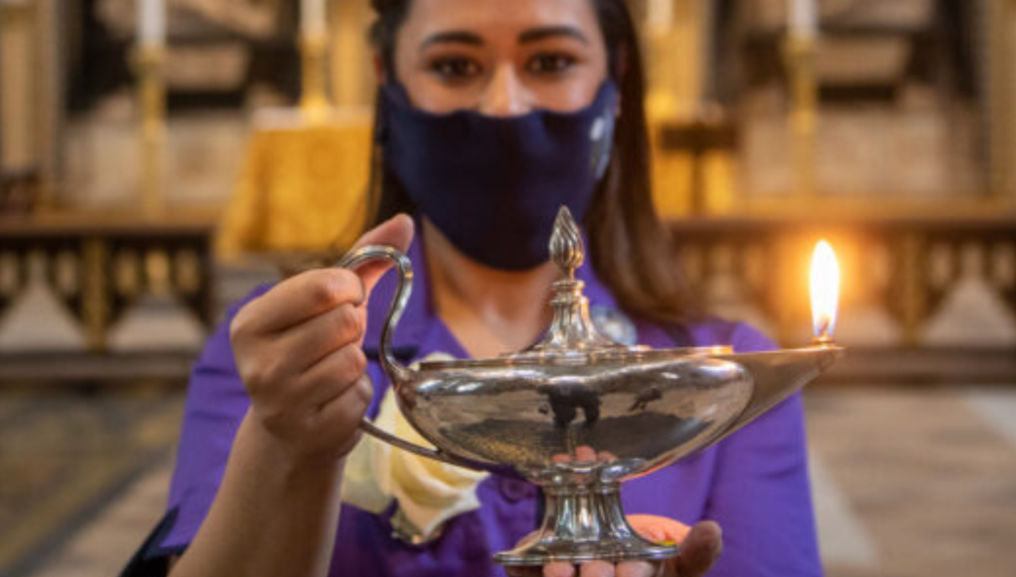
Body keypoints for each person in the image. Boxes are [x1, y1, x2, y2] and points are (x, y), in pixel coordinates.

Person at [121, 1, 821, 576]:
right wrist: (285, 442)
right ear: (386, 80)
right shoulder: (288, 350)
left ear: (616, 78)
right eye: (455, 66)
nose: (505, 105)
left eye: (550, 62)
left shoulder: (727, 372)